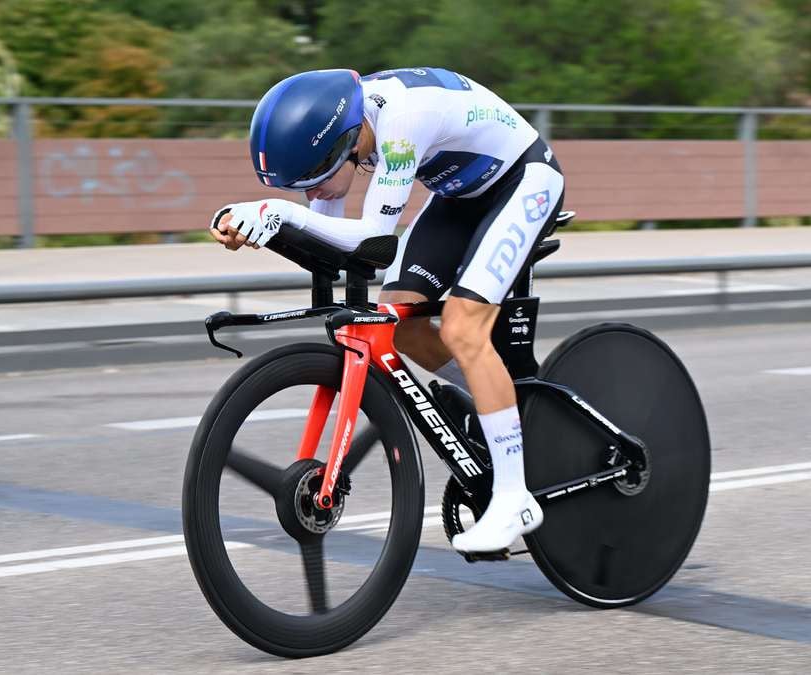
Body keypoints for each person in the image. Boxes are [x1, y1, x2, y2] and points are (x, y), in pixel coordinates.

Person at [209, 67, 565, 553]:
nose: (311, 193)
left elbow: (373, 240)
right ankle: (499, 409)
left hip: (525, 182)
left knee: (463, 328)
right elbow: (325, 233)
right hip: (459, 197)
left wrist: (275, 212)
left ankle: (513, 497)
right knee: (400, 323)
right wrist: (251, 222)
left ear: (345, 146)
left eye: (313, 179)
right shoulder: (353, 125)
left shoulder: (401, 121)